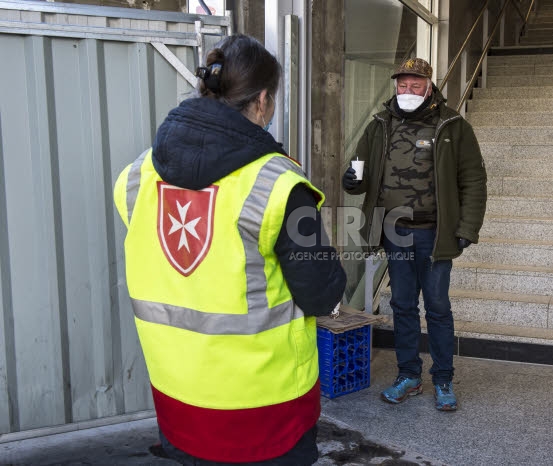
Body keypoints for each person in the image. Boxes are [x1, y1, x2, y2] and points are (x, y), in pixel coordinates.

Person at [113, 34, 346, 465]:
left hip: (179, 403)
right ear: (262, 102)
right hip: (265, 415)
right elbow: (320, 293)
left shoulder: (136, 176)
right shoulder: (278, 185)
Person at [342, 57, 487, 412]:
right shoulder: (379, 125)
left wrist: (467, 227)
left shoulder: (453, 125)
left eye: (416, 85)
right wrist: (351, 180)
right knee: (403, 305)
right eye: (403, 85)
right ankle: (409, 375)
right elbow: (358, 171)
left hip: (435, 235)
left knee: (437, 307)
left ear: (429, 86)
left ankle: (443, 378)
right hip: (395, 234)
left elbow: (474, 180)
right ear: (396, 86)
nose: (408, 91)